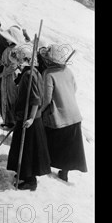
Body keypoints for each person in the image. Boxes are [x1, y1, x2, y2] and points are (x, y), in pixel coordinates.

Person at [6, 43, 51, 191]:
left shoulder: (29, 75)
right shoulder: (30, 72)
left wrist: (31, 118)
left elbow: (36, 99)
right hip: (25, 117)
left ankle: (30, 180)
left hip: (29, 119)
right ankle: (23, 173)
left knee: (28, 150)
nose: (16, 62)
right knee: (22, 147)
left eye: (18, 59)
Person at [40, 44, 88, 182]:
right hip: (73, 114)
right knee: (69, 145)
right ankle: (64, 172)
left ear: (49, 60)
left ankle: (45, 166)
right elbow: (74, 88)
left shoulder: (48, 74)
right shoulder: (68, 71)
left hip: (59, 116)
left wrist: (40, 111)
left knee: (49, 139)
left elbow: (47, 99)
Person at [0, 26, 28, 129]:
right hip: (15, 76)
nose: (6, 39)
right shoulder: (20, 49)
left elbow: (12, 66)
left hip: (10, 78)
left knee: (10, 97)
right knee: (12, 97)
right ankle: (12, 121)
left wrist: (1, 75)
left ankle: (11, 121)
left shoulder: (11, 50)